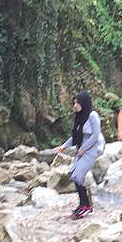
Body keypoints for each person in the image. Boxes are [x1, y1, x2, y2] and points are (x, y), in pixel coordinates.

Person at [50, 90, 105, 218]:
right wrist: (64, 146)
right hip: (81, 149)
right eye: (74, 103)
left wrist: (84, 148)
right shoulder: (79, 117)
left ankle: (85, 205)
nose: (75, 105)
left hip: (92, 149)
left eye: (77, 103)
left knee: (79, 174)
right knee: (73, 175)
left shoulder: (92, 115)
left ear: (84, 103)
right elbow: (75, 136)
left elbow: (96, 135)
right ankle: (83, 204)